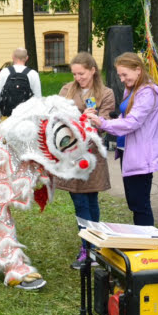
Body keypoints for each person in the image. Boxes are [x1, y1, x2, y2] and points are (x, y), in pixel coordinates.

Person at [87, 52, 158, 226]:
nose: (122, 79)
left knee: (140, 204)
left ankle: (146, 245)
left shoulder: (147, 93)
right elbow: (127, 117)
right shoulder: (131, 89)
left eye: (125, 74)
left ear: (138, 70)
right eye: (119, 75)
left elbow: (132, 123)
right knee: (134, 202)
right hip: (128, 151)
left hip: (142, 154)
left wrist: (103, 123)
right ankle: (142, 241)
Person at [56, 52, 115, 269]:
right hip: (71, 154)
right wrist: (75, 119)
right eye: (74, 74)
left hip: (92, 156)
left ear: (92, 70)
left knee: (91, 200)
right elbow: (55, 118)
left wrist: (96, 120)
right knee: (80, 201)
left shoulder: (106, 93)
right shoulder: (66, 90)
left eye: (81, 73)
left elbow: (107, 123)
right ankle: (88, 248)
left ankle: (92, 248)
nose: (77, 78)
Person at [0, 47, 42, 117]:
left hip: (7, 114)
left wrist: (0, 112)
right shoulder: (33, 74)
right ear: (27, 58)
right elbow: (38, 97)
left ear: (13, 57)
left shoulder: (4, 72)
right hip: (27, 116)